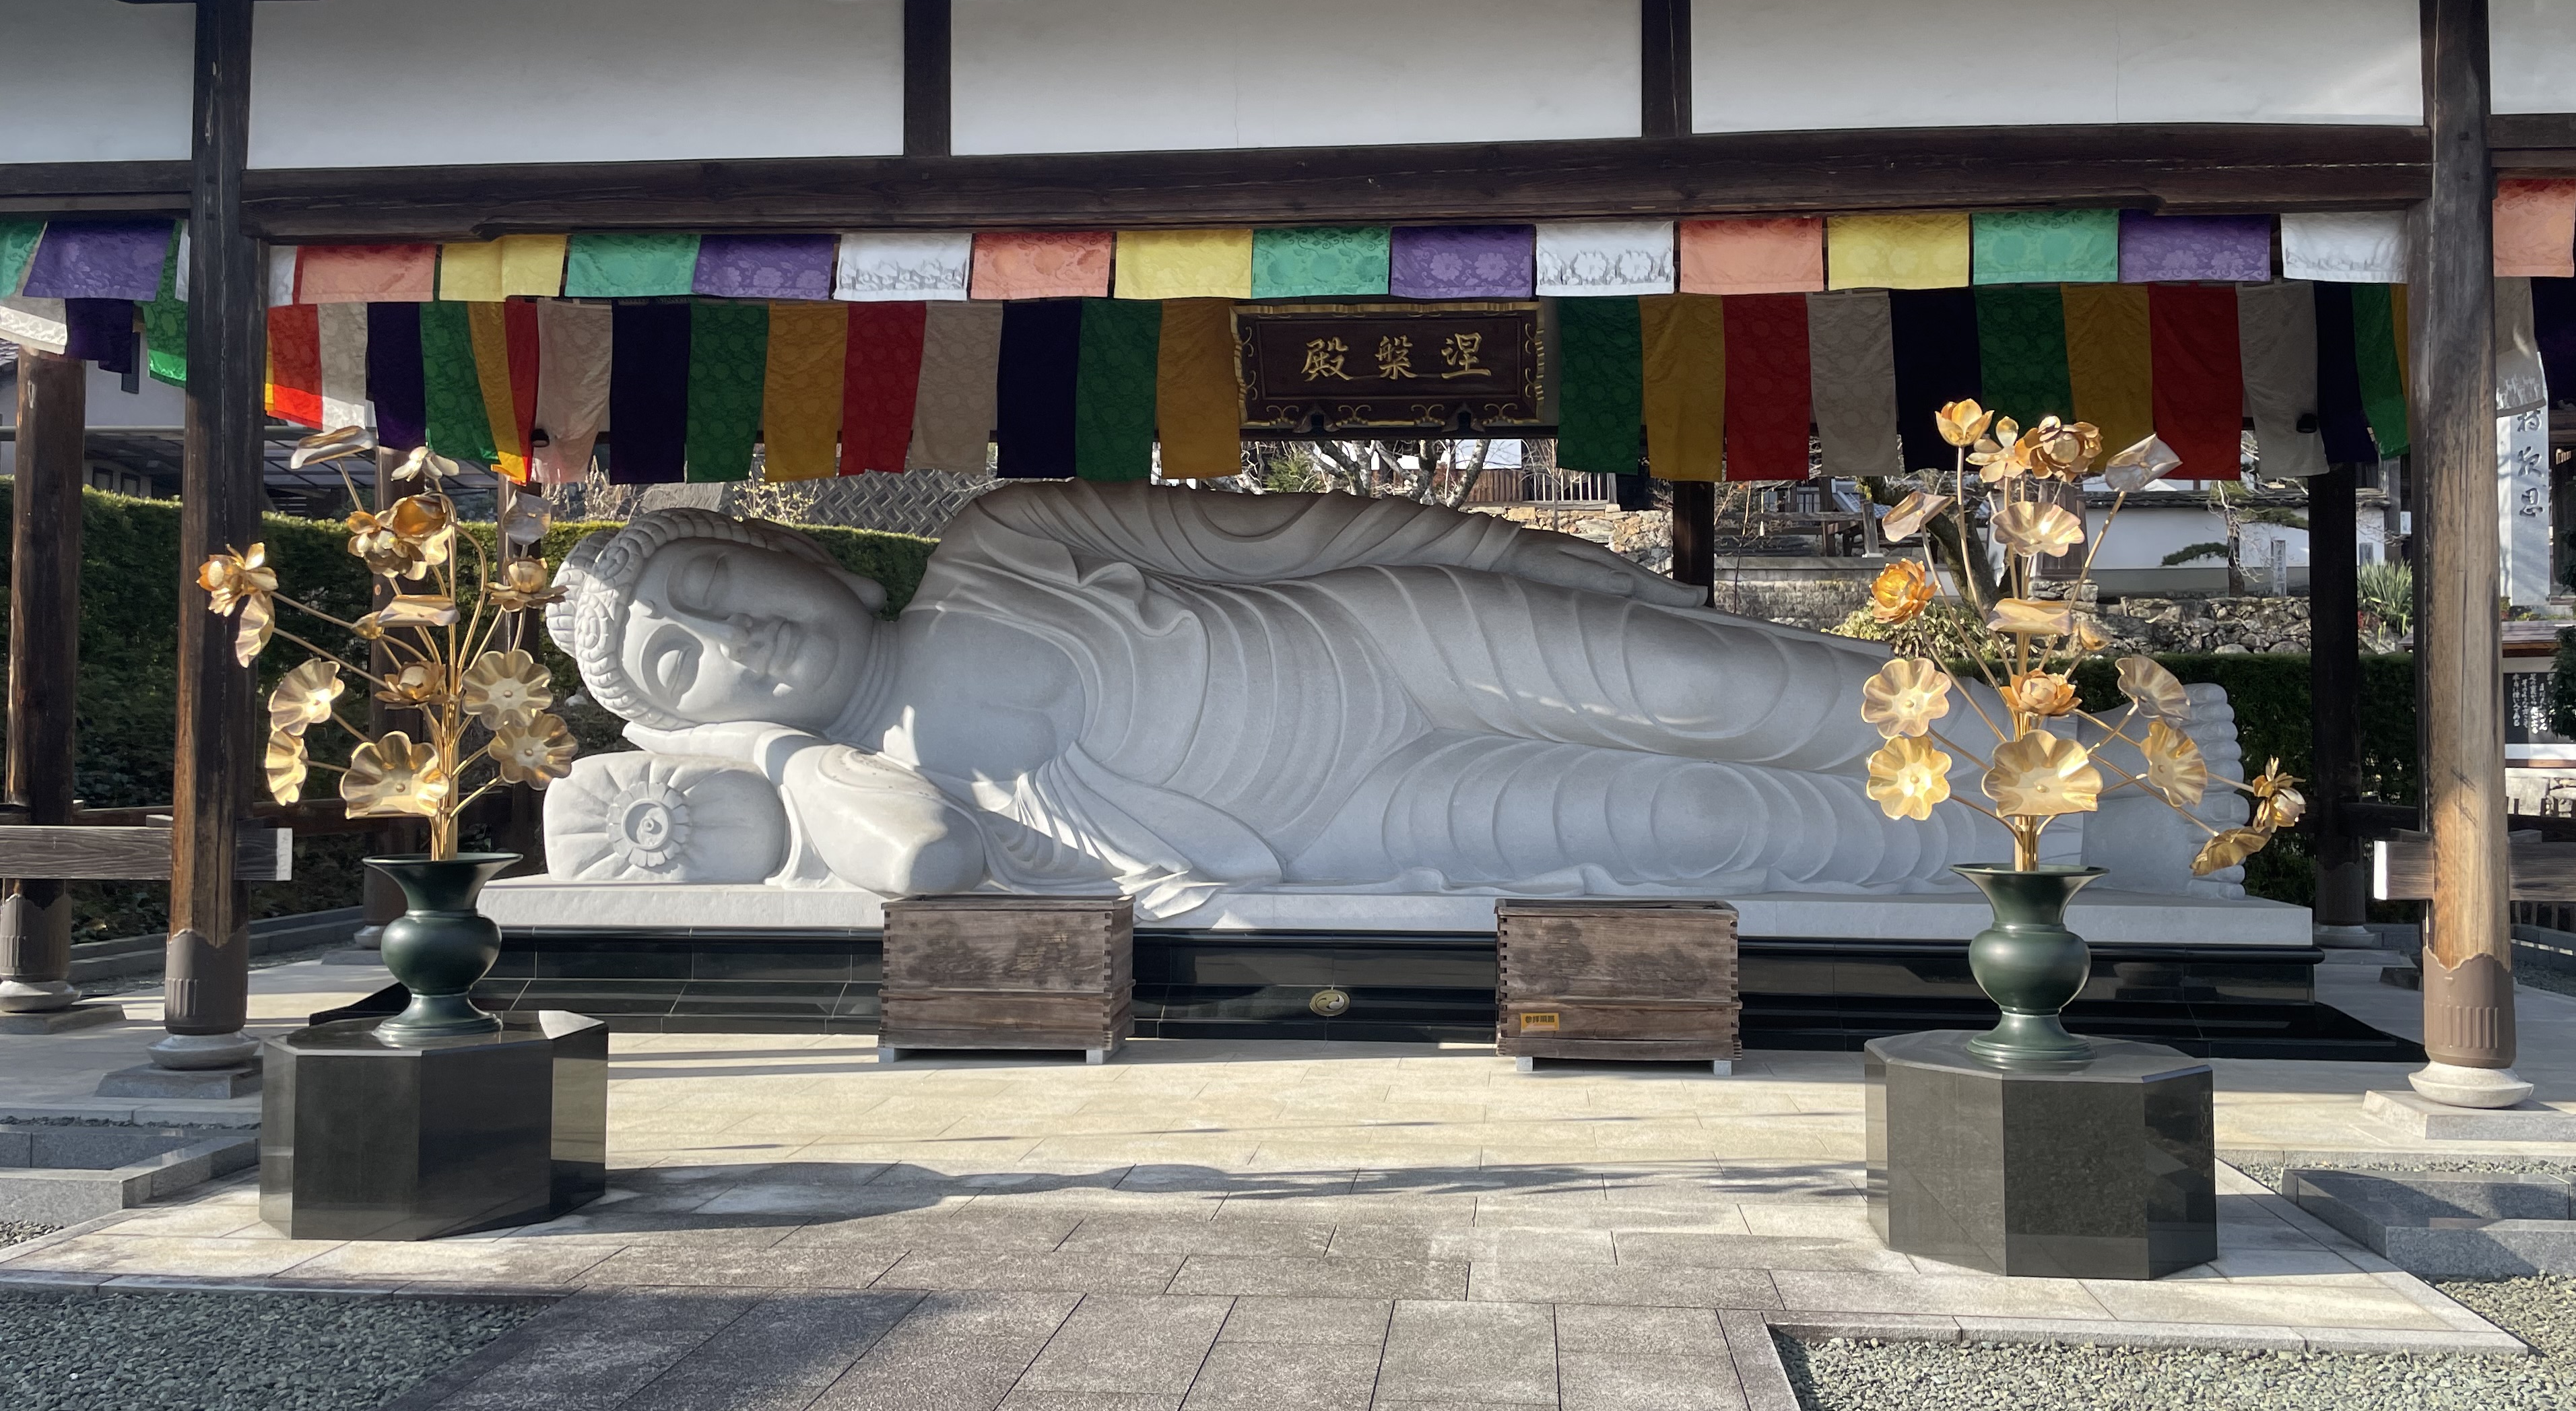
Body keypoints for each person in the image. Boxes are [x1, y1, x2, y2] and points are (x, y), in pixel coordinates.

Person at [547, 484, 2227, 915]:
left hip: (1390, 641)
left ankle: (2106, 759)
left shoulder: (1003, 543)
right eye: (684, 663)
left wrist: (1574, 576)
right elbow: (924, 868)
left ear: (799, 556)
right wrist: (764, 747)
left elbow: (1304, 532)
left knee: (1734, 688)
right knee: (1703, 820)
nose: (734, 632)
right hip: (1341, 825)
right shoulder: (864, 782)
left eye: (719, 583)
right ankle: (2096, 860)